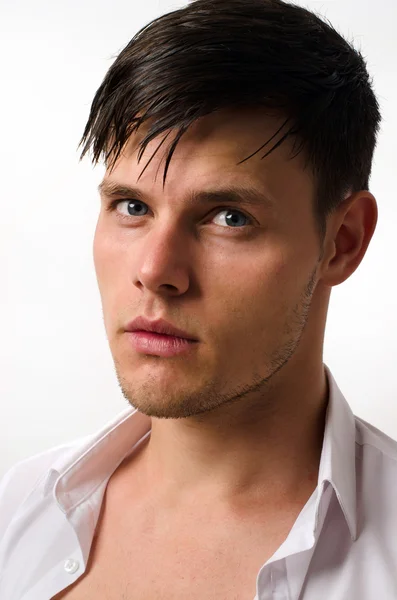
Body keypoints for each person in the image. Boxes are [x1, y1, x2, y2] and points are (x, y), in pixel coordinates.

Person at [1, 0, 396, 598]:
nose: (156, 271)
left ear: (341, 242)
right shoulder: (17, 510)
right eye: (132, 207)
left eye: (229, 217)